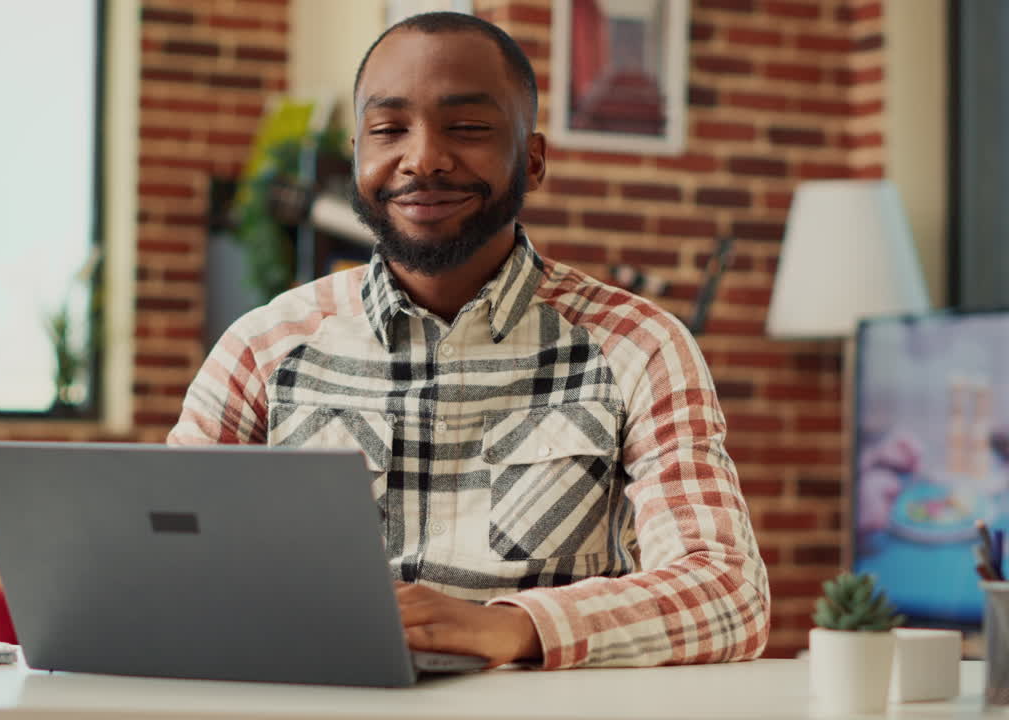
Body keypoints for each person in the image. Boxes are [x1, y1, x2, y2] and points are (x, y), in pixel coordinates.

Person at [169, 11, 770, 669]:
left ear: (532, 160)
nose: (423, 158)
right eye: (388, 129)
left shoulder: (639, 348)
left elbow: (729, 593)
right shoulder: (262, 349)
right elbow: (163, 558)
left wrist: (512, 628)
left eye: (469, 129)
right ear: (357, 156)